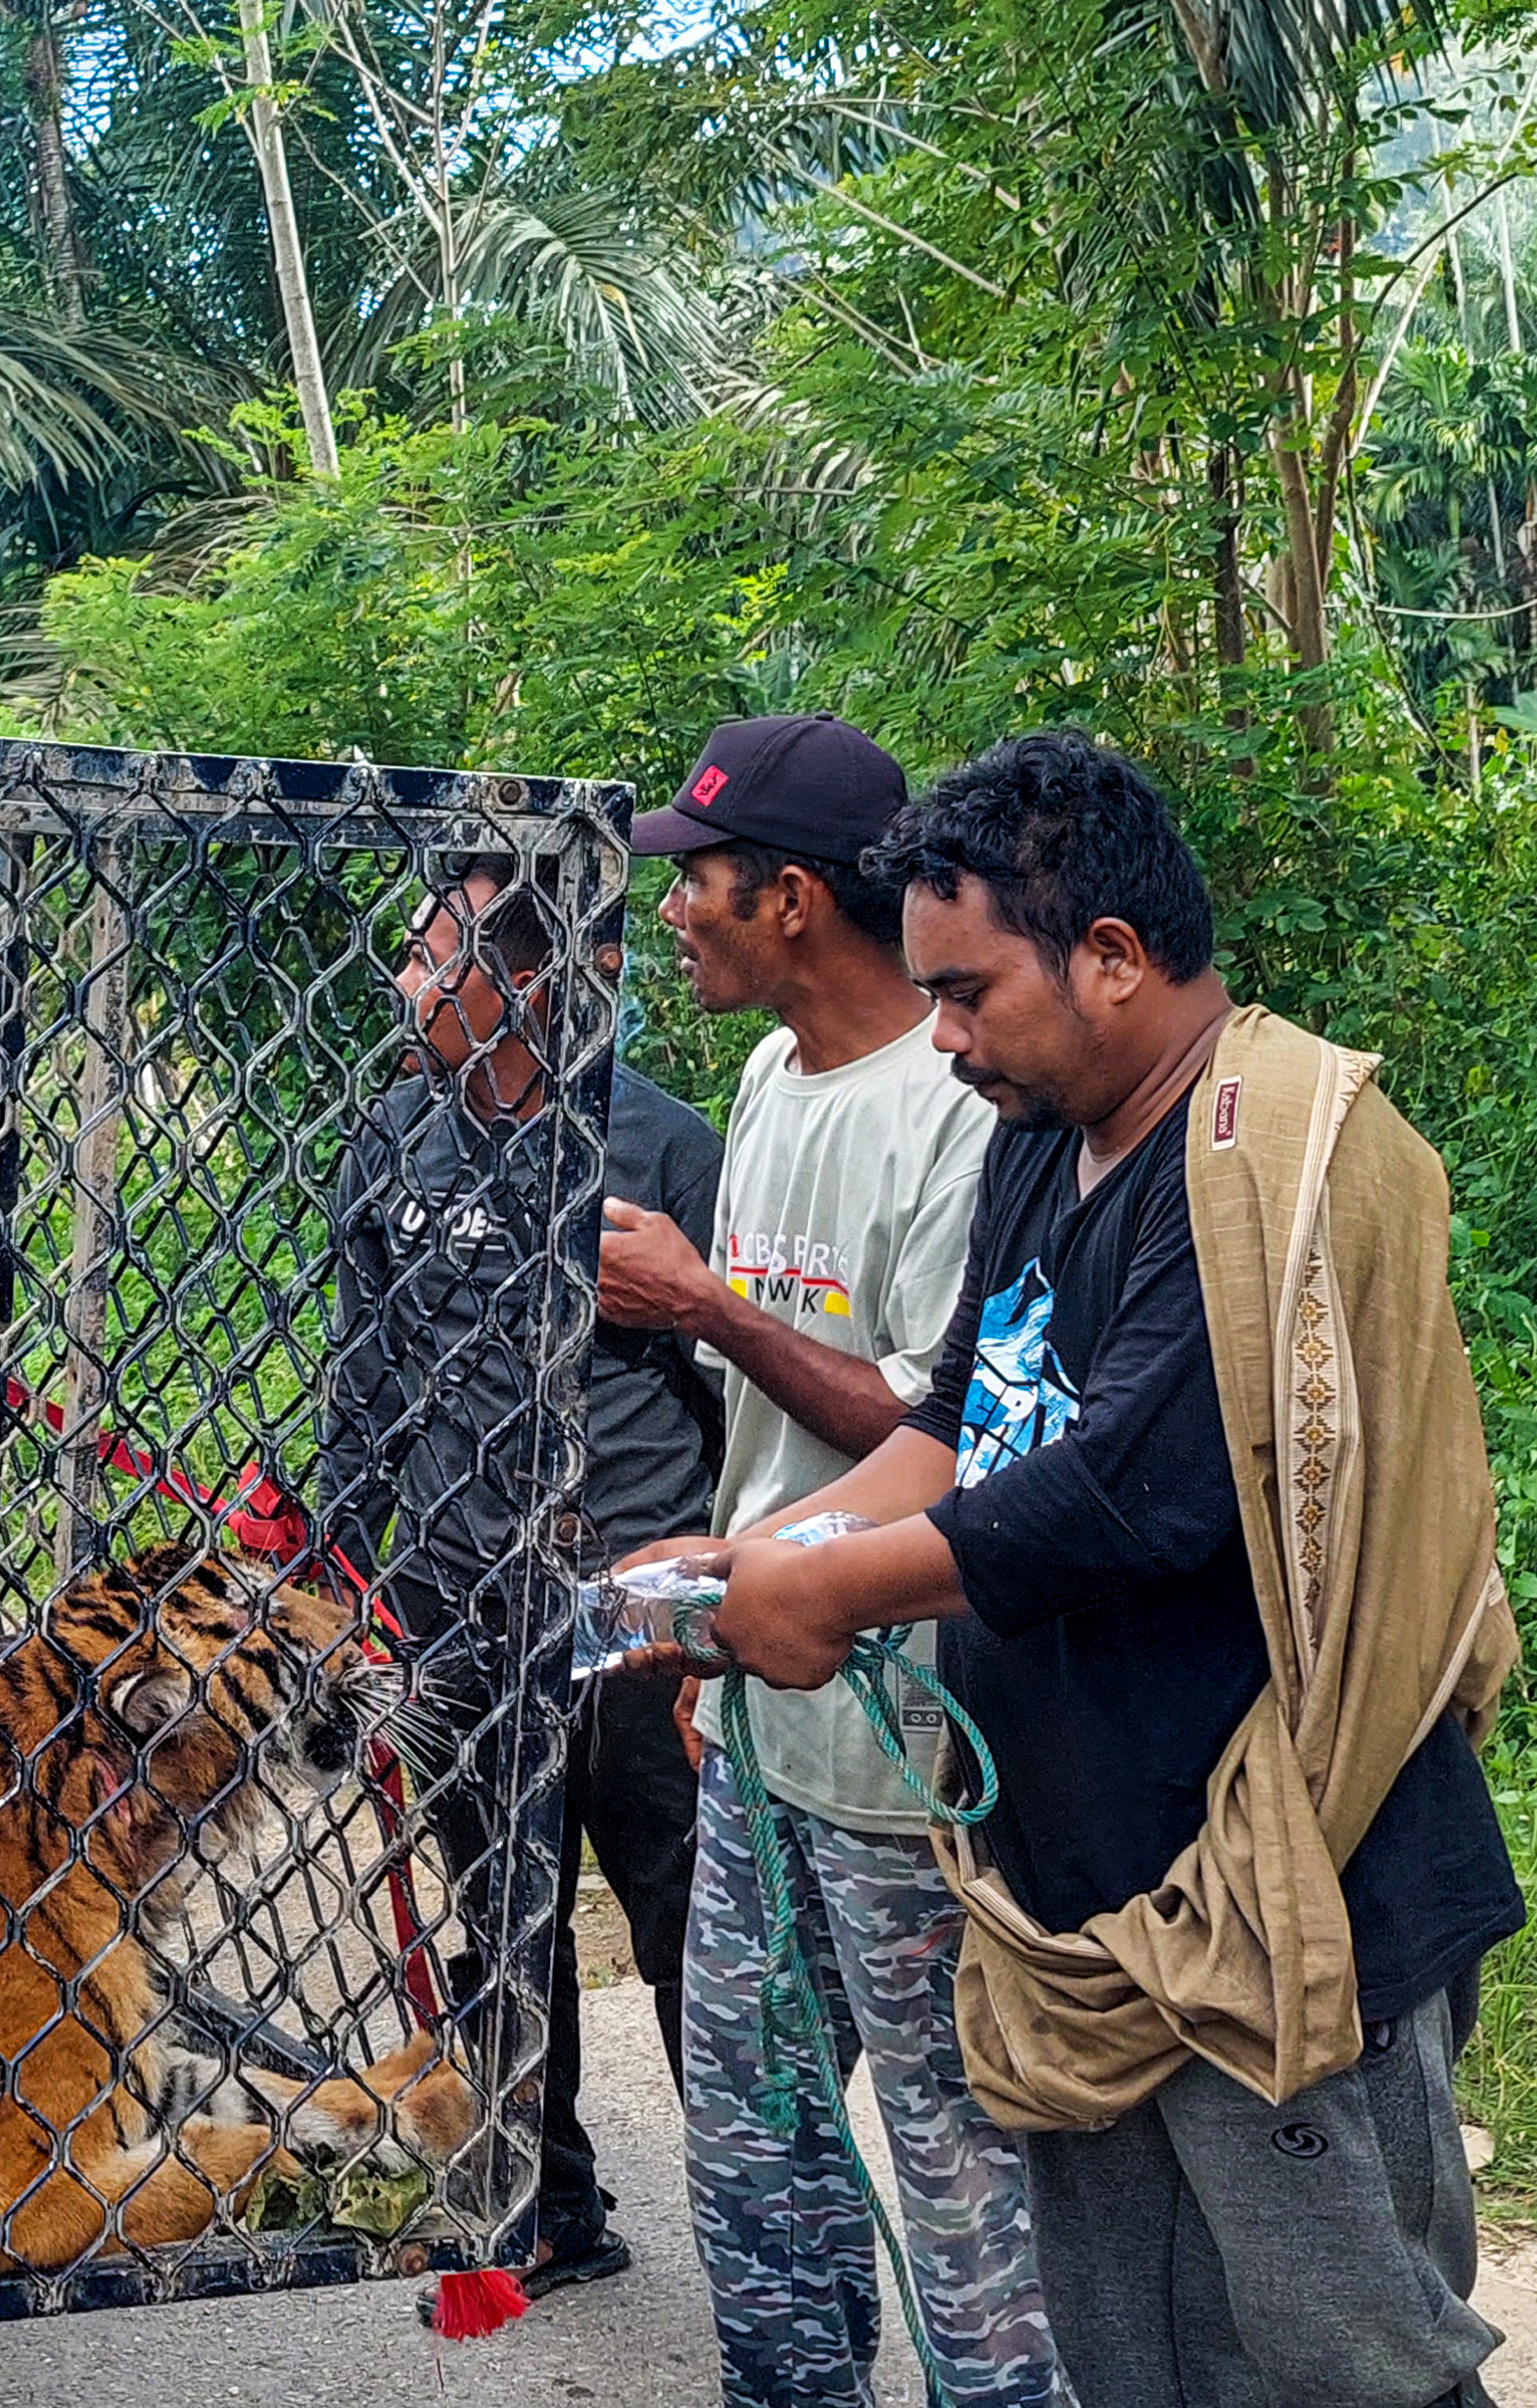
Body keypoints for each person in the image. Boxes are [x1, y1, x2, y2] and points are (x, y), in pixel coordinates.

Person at [701, 732, 1522, 2408]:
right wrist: (752, 1559)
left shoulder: (1263, 1159)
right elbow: (961, 1422)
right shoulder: (1038, 1130)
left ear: (1114, 957)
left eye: (967, 992)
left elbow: (1127, 1498)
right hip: (1082, 1906)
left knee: (1350, 2367)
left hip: (1281, 1903)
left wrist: (831, 1596)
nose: (942, 1035)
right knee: (1130, 2359)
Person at [593, 715, 1060, 2407]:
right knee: (752, 2139)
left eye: (697, 879)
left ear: (789, 897)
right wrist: (722, 1621)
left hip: (911, 1737)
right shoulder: (768, 1082)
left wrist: (705, 1305)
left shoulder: (962, 1104)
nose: (672, 911)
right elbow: (774, 1434)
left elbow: (949, 1432)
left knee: (956, 2159)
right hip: (763, 1709)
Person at [322, 854, 724, 2304]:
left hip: (630, 1598)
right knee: (502, 1909)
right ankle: (549, 2201)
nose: (407, 983)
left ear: (532, 981)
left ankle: (758, 2217)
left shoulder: (663, 1150)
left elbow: (734, 1391)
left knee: (684, 1910)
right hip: (452, 1592)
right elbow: (366, 1373)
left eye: (436, 957)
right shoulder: (394, 1137)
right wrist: (339, 1572)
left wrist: (719, 1596)